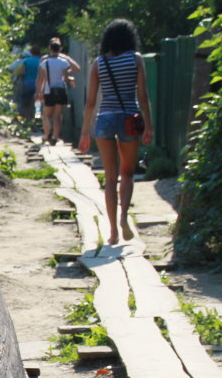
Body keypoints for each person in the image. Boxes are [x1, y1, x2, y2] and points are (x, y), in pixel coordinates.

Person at [78, 19, 153, 246]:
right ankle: (123, 217)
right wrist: (148, 126)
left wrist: (84, 133)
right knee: (128, 173)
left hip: (105, 120)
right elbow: (142, 96)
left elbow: (90, 102)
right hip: (130, 119)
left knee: (110, 178)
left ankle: (112, 232)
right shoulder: (136, 60)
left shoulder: (98, 63)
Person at [35, 39, 80, 145]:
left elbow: (41, 79)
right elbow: (77, 68)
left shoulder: (44, 62)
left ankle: (47, 133)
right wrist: (65, 57)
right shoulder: (63, 62)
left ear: (49, 48)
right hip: (61, 90)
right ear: (60, 49)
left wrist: (38, 92)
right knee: (57, 116)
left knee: (46, 115)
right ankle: (56, 137)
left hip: (48, 91)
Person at [7, 45, 42, 121]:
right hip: (38, 85)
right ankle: (33, 118)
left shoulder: (26, 60)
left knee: (24, 101)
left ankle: (24, 118)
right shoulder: (41, 61)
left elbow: (19, 71)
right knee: (35, 103)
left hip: (27, 83)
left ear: (31, 52)